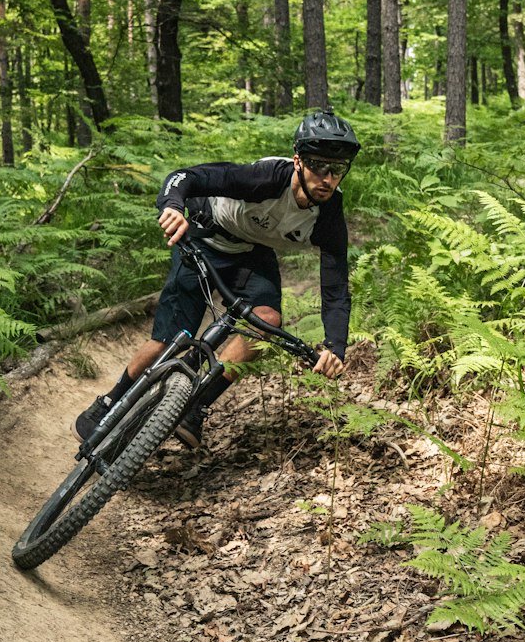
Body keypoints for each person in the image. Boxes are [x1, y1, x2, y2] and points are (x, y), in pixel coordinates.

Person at [74, 110, 361, 450]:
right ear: (298, 161)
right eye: (318, 165)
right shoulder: (266, 179)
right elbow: (185, 177)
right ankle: (110, 402)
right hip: (204, 236)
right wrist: (172, 206)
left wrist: (335, 347)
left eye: (337, 169)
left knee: (267, 322)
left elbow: (335, 289)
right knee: (172, 339)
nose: (327, 178)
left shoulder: (328, 215)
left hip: (251, 251)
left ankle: (195, 407)